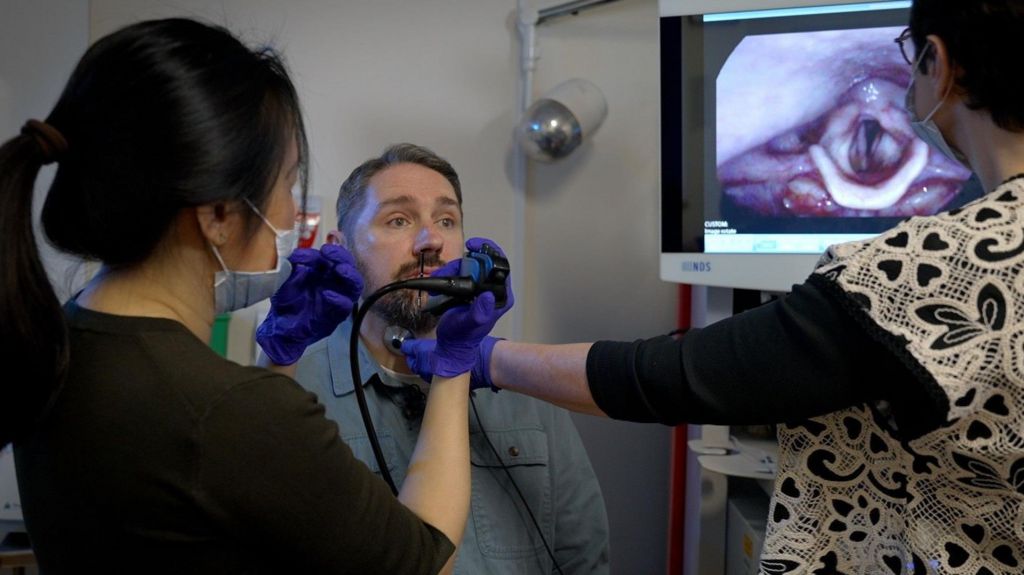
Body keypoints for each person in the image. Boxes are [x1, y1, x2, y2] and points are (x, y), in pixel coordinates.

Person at [404, 1, 1024, 572]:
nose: (428, 242)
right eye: (397, 219)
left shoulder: (927, 269)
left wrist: (485, 359)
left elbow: (680, 375)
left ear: (938, 63)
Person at [0, 18, 507, 574]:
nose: (291, 214)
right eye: (286, 183)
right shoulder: (223, 410)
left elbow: (227, 493)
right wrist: (456, 365)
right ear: (218, 215)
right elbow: (424, 561)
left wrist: (278, 359)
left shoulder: (62, 342)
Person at [293, 143, 610, 574]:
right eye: (399, 220)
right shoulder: (295, 392)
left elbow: (583, 553)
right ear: (340, 246)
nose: (431, 241)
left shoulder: (519, 383)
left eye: (446, 220)